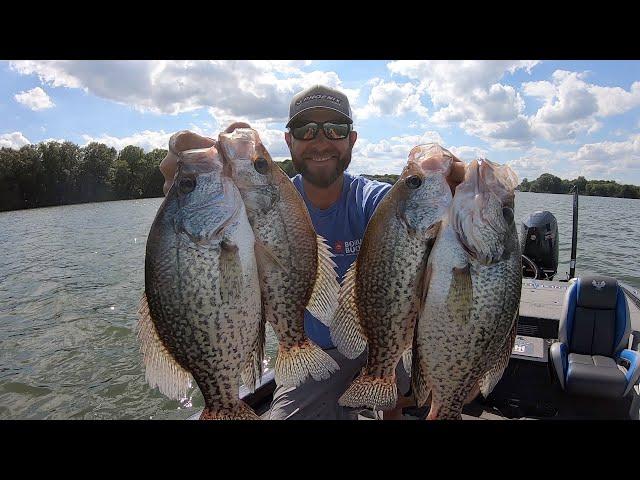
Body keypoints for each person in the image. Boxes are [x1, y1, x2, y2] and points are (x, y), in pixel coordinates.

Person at [159, 84, 465, 420]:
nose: (321, 141)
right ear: (289, 142)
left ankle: (390, 404)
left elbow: (426, 218)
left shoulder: (379, 202)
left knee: (437, 379)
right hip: (315, 350)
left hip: (393, 341)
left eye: (336, 129)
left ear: (352, 139)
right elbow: (200, 240)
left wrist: (460, 187)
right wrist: (183, 162)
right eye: (306, 130)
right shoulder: (249, 202)